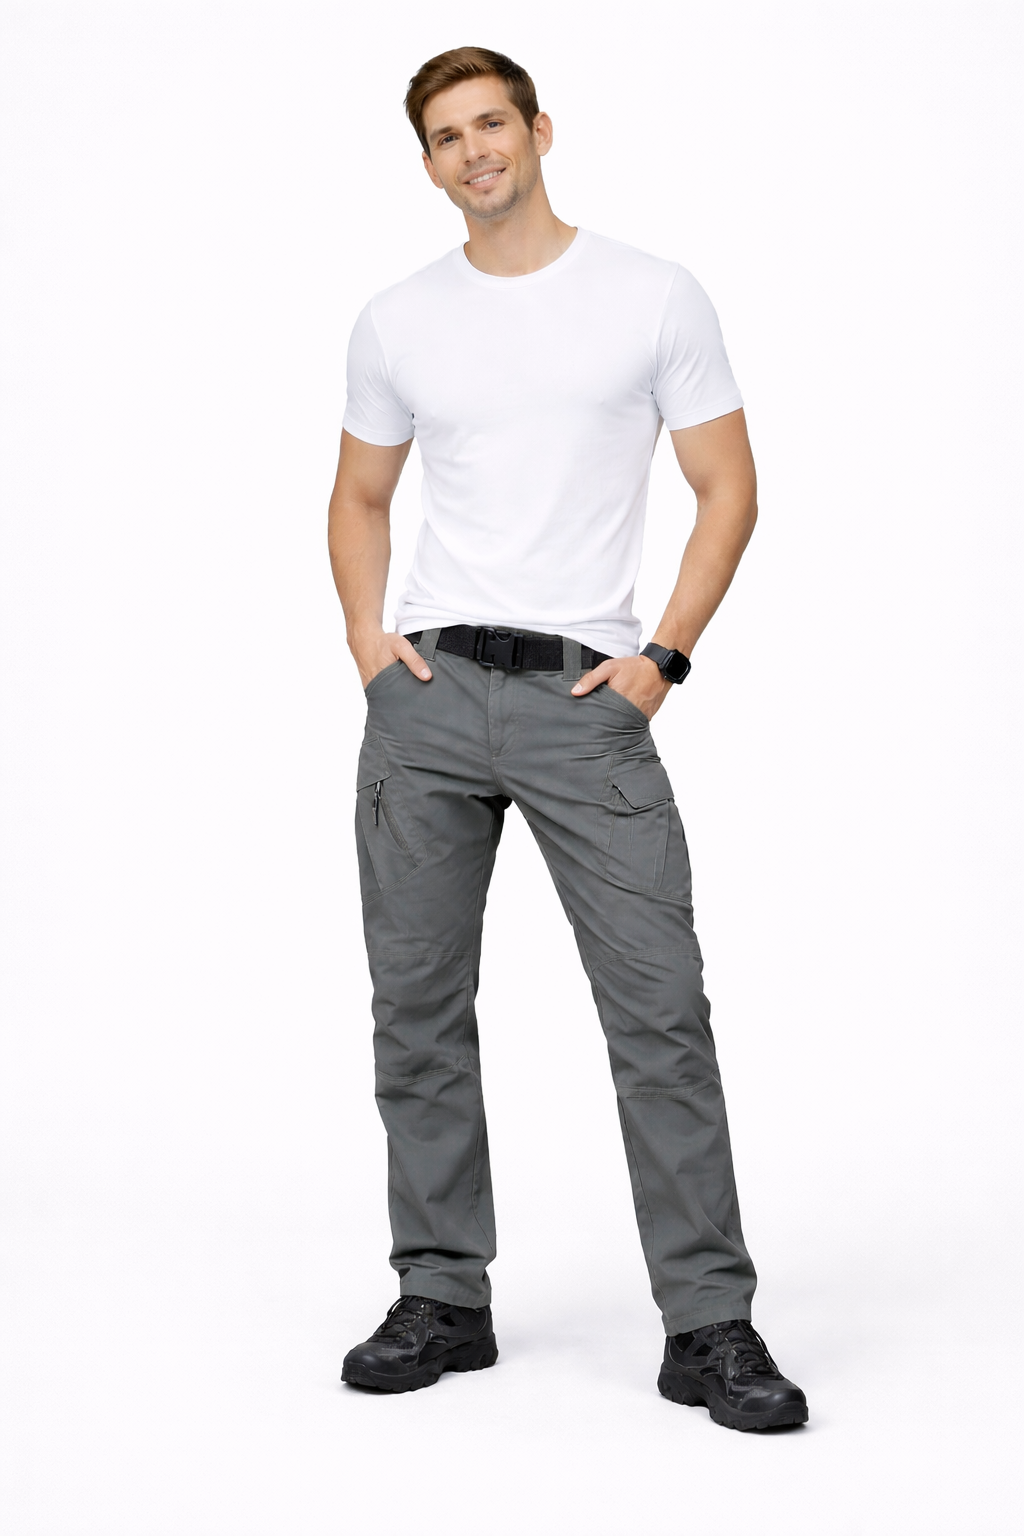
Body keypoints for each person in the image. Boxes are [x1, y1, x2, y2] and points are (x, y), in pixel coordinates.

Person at [327, 46, 807, 1432]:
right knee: (417, 1011)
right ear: (427, 165)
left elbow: (728, 487)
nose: (473, 150)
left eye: (492, 123)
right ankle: (442, 1295)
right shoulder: (397, 320)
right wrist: (369, 644)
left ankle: (708, 1324)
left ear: (540, 130)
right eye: (445, 136)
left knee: (660, 1013)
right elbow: (359, 496)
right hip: (428, 699)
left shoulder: (652, 294)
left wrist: (664, 659)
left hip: (585, 699)